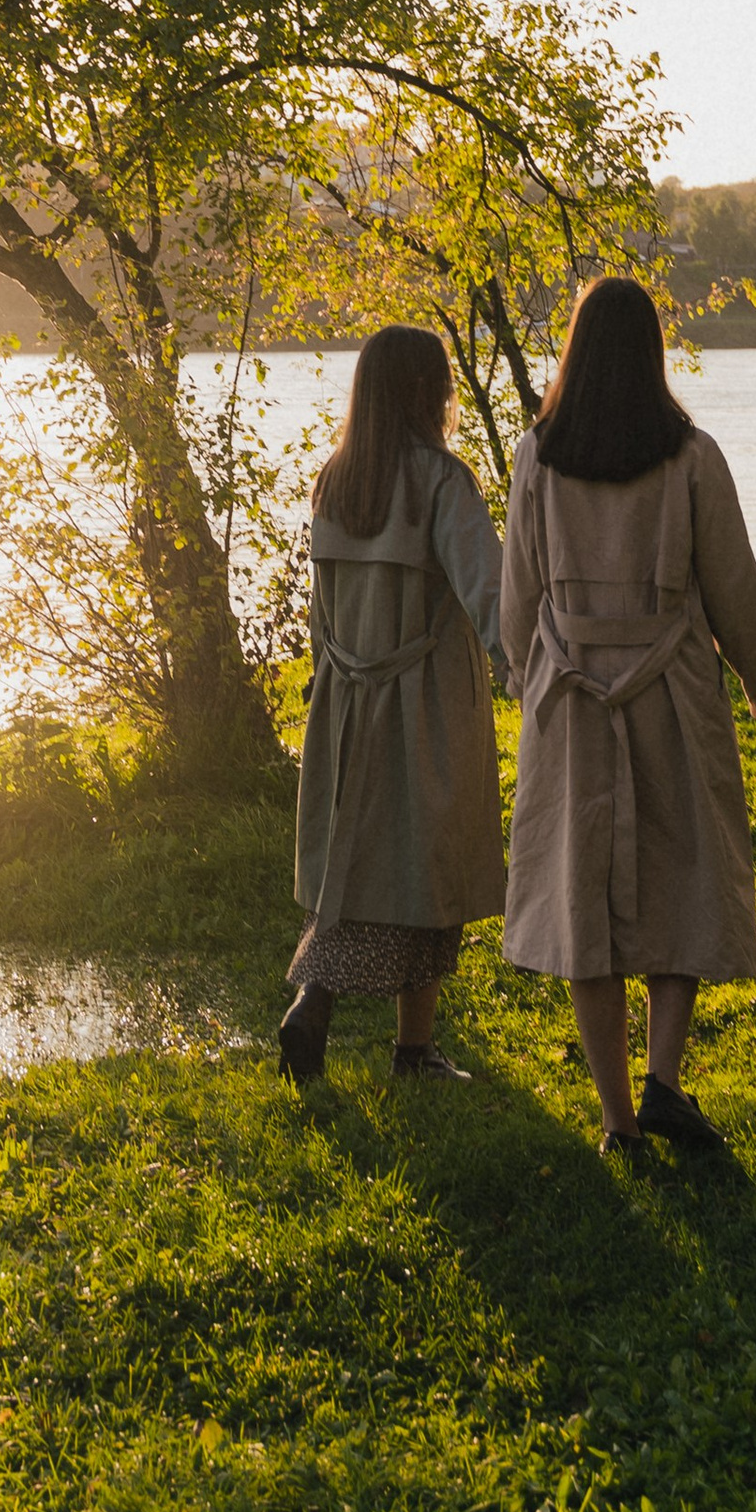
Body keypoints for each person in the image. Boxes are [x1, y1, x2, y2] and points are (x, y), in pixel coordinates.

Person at [499, 276, 756, 1158]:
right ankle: (664, 1078)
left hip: (570, 701)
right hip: (670, 692)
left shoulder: (537, 455)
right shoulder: (692, 455)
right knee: (683, 877)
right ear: (653, 351)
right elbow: (737, 595)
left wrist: (536, 687)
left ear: (576, 351)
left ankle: (619, 1118)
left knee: (580, 903)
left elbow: (518, 600)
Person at [280, 325, 509, 1084]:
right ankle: (326, 1004)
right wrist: (529, 672)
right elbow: (492, 597)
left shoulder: (333, 483)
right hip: (425, 706)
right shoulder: (443, 483)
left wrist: (327, 684)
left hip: (345, 702)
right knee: (422, 869)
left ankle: (412, 1048)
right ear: (422, 392)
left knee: (371, 866)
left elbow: (321, 612)